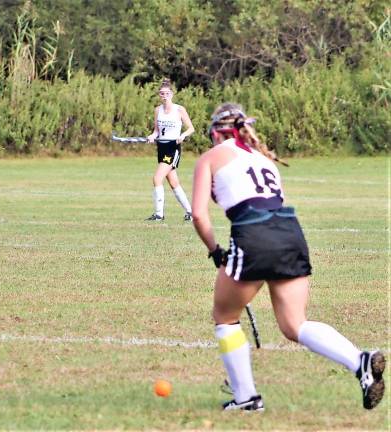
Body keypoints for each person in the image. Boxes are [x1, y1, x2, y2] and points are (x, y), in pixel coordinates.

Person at [191, 102, 385, 411]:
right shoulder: (264, 158)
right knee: (295, 325)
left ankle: (246, 399)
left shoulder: (210, 158)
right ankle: (358, 361)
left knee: (225, 317)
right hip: (290, 231)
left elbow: (199, 215)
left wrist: (216, 251)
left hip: (254, 233)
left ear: (217, 133)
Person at [145, 79, 195, 222]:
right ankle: (190, 212)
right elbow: (156, 131)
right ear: (159, 95)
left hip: (173, 148)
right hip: (162, 147)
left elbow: (191, 128)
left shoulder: (179, 109)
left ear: (172, 94)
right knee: (173, 182)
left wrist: (183, 136)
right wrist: (152, 136)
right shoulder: (157, 110)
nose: (164, 96)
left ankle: (159, 214)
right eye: (162, 93)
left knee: (157, 178)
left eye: (167, 93)